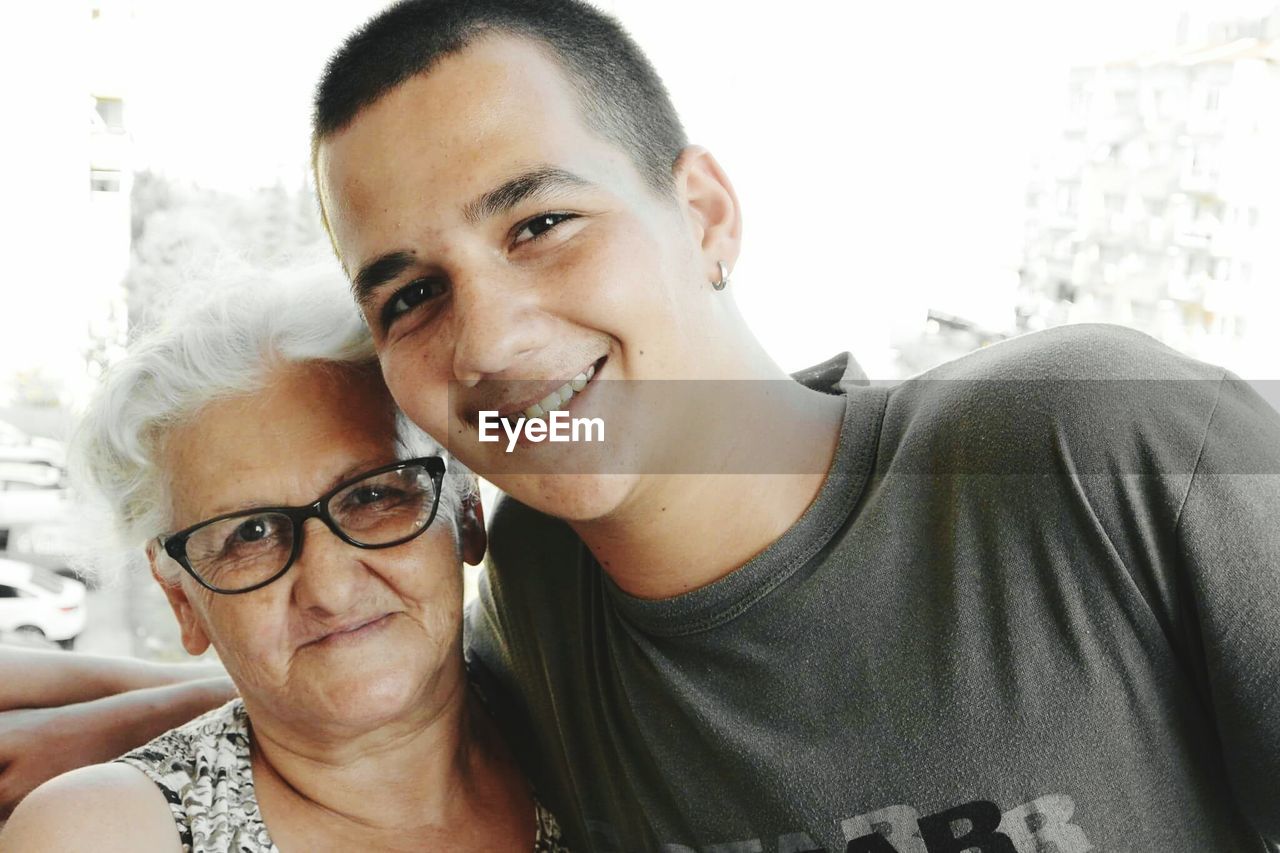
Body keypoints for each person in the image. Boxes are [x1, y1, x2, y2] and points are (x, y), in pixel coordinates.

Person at [5, 1, 1280, 850]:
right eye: (410, 292)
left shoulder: (1085, 438)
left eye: (541, 222)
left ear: (707, 215)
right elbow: (357, 684)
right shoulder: (550, 601)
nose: (491, 342)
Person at [0, 269, 567, 851]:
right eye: (249, 534)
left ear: (466, 509)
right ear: (181, 600)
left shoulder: (594, 738)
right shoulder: (103, 834)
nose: (330, 590)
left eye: (372, 496)